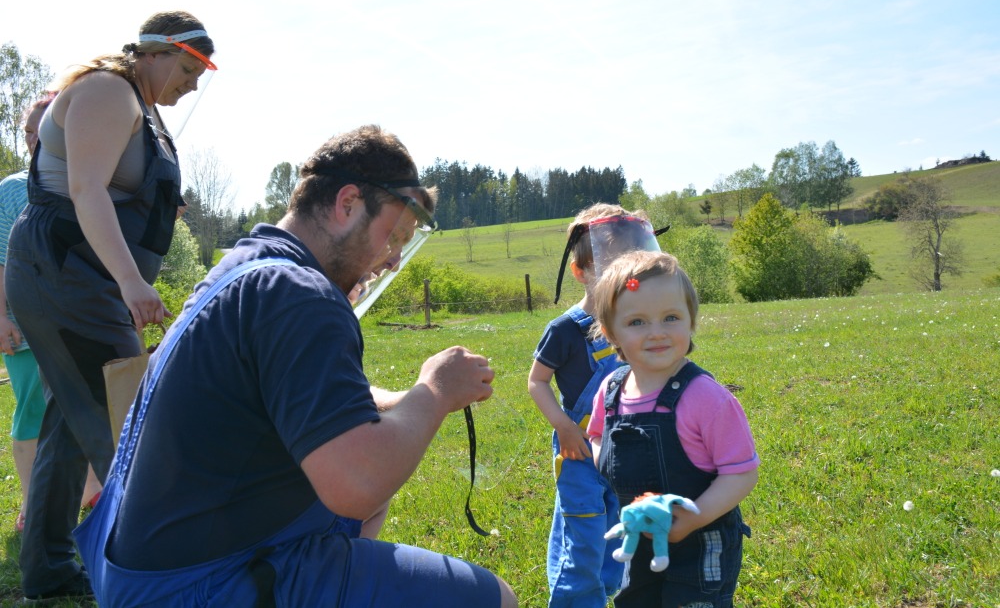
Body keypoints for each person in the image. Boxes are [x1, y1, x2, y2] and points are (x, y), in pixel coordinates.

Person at [74, 124, 518, 608]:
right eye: (395, 235)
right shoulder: (301, 294)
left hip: (137, 571)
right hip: (200, 584)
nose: (393, 260)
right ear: (347, 203)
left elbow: (315, 395)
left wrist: (403, 400)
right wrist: (434, 392)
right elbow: (358, 484)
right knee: (494, 599)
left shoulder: (247, 268)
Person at [5, 11, 215, 601]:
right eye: (188, 67)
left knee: (67, 428)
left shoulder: (143, 111)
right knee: (130, 421)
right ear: (155, 51)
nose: (193, 83)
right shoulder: (106, 90)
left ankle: (47, 571)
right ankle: (151, 575)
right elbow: (85, 189)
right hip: (65, 275)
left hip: (76, 280)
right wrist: (129, 281)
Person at [587, 251, 759, 607]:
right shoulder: (611, 392)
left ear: (691, 320)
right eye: (637, 322)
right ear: (610, 333)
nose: (657, 333)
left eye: (670, 318)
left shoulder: (706, 399)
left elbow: (741, 472)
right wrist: (606, 461)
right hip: (640, 536)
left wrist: (692, 519)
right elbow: (597, 434)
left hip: (701, 541)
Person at [530, 203, 666, 607]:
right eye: (610, 266)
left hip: (623, 449)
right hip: (579, 452)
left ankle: (605, 590)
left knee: (617, 525)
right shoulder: (565, 329)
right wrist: (564, 427)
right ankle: (576, 599)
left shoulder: (632, 324)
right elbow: (537, 382)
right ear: (582, 271)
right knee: (584, 533)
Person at [1, 95, 103, 535]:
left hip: (76, 319)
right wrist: (2, 317)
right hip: (22, 321)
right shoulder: (10, 190)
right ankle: (32, 502)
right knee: (33, 409)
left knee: (83, 405)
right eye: (28, 131)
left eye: (43, 130)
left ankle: (89, 491)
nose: (34, 139)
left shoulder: (86, 182)